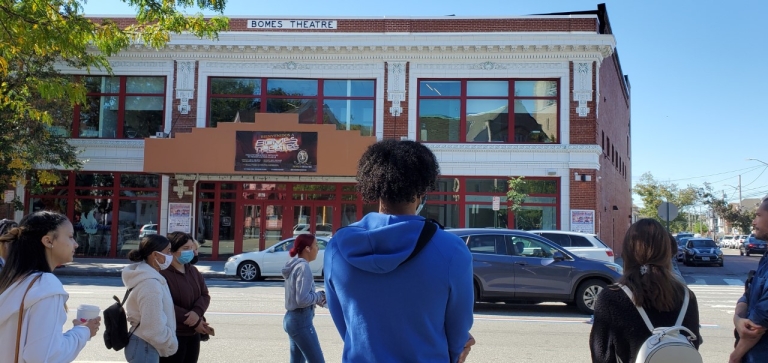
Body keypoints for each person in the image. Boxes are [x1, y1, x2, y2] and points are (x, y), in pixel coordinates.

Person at [323, 139, 475, 363]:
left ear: (374, 184)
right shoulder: (452, 251)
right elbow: (458, 332)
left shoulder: (336, 249)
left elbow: (346, 327)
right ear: (422, 189)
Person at [590, 218, 701, 362]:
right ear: (666, 252)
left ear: (628, 252)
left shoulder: (611, 297)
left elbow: (601, 355)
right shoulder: (686, 297)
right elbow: (692, 345)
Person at [0, 211, 100, 362]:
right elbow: (45, 357)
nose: (76, 244)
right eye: (70, 237)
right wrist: (83, 331)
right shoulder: (45, 284)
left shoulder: (14, 279)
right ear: (48, 241)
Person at [122, 234, 179, 362]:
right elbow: (152, 327)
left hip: (143, 344)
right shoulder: (150, 284)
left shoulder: (149, 277)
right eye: (168, 251)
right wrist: (169, 342)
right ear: (155, 255)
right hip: (145, 346)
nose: (171, 256)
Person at [159, 232, 212, 363]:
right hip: (173, 334)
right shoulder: (162, 273)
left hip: (193, 333)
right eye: (185, 248)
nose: (191, 252)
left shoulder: (192, 271)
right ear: (172, 251)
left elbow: (204, 295)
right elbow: (164, 304)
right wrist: (194, 320)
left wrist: (197, 312)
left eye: (192, 248)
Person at [730, 198, 768, 363]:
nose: (753, 221)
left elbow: (758, 324)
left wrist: (735, 357)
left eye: (758, 215)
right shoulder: (765, 258)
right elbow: (748, 294)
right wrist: (737, 319)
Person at [282, 233, 326, 363]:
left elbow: (300, 296)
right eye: (316, 245)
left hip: (293, 319)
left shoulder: (294, 265)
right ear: (307, 248)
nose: (317, 249)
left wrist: (316, 297)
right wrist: (319, 296)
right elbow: (302, 299)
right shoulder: (303, 267)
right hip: (301, 321)